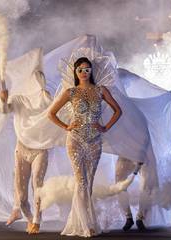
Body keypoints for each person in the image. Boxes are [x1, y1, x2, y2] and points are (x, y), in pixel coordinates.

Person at [48, 57, 122, 237]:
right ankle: (87, 225)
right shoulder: (70, 92)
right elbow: (51, 113)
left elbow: (118, 110)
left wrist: (105, 127)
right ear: (75, 72)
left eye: (87, 69)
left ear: (91, 71)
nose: (83, 73)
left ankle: (82, 221)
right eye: (80, 69)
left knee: (88, 183)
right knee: (81, 181)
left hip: (95, 140)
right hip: (75, 139)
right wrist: (66, 126)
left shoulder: (101, 90)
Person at [0, 86, 49, 234]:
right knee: (21, 197)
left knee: (37, 185)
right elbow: (5, 111)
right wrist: (3, 100)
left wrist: (46, 97)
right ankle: (28, 217)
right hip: (21, 149)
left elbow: (54, 111)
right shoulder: (18, 98)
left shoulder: (45, 96)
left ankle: (37, 221)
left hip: (40, 149)